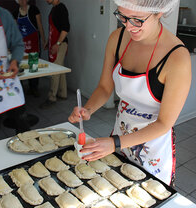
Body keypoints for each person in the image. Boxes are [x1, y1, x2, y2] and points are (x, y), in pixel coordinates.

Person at [69, 0, 191, 187]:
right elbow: (104, 87)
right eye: (123, 17)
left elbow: (164, 123)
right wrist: (88, 109)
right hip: (119, 136)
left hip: (153, 150)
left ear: (159, 12)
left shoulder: (176, 58)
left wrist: (114, 143)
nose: (128, 26)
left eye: (137, 20)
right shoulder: (117, 39)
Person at [0, 0, 29, 142]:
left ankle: (26, 155)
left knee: (22, 121)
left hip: (6, 77)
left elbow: (17, 43)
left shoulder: (4, 16)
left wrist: (14, 61)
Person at [40, 0, 70, 109]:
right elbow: (53, 29)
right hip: (55, 43)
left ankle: (51, 97)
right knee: (60, 69)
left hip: (60, 44)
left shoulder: (61, 8)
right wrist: (49, 42)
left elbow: (65, 29)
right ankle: (63, 94)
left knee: (54, 71)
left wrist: (57, 44)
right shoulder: (54, 8)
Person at [13, 0, 46, 97]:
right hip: (22, 45)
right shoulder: (15, 13)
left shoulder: (34, 10)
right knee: (21, 68)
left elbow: (40, 26)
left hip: (34, 43)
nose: (23, 1)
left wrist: (44, 41)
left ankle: (34, 88)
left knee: (33, 67)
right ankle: (21, 89)